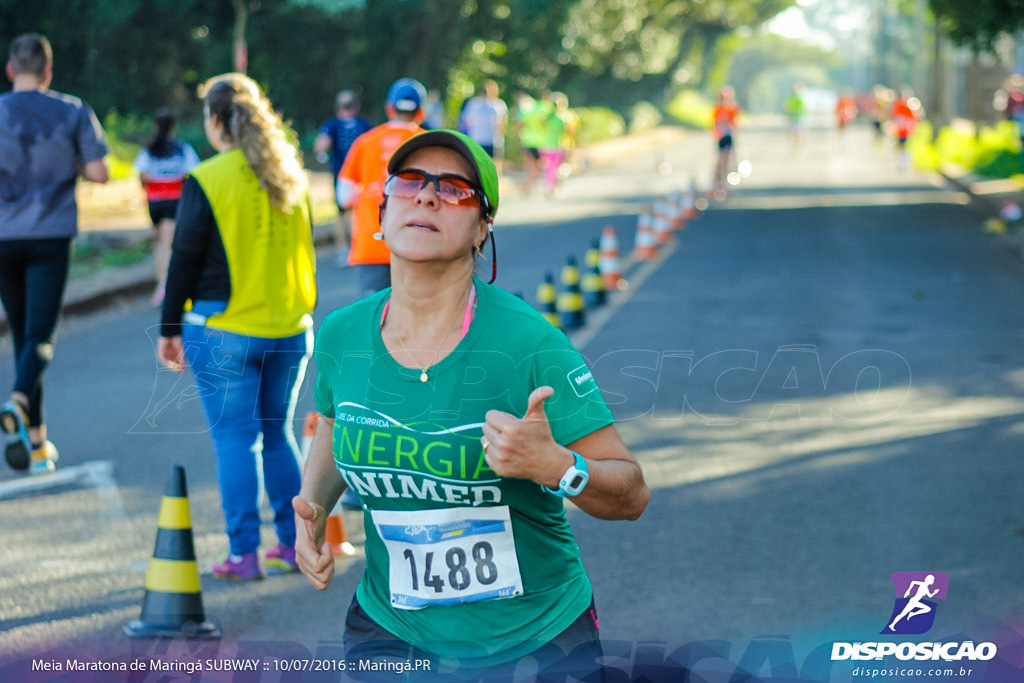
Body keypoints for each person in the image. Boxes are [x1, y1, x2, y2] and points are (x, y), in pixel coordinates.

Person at [293, 129, 650, 678]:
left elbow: (630, 493)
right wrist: (314, 510)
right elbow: (339, 426)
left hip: (534, 638)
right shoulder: (343, 334)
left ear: (483, 228)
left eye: (454, 189)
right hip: (392, 631)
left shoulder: (529, 343)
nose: (428, 197)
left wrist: (556, 466)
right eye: (410, 182)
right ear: (383, 210)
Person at [157, 73, 317, 581]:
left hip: (223, 328)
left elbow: (183, 259)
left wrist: (168, 327)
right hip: (290, 328)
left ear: (217, 120)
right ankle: (292, 546)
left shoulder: (209, 177)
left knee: (234, 441)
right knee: (278, 434)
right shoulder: (289, 173)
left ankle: (243, 555)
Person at [0, 33, 108, 475]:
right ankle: (19, 401)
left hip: (4, 237)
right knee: (40, 336)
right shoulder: (72, 109)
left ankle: (38, 440)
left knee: (23, 333)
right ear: (48, 71)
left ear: (11, 69)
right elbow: (100, 172)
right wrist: (73, 164)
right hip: (51, 234)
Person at [336, 77, 426, 298]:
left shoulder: (365, 142)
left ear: (389, 108)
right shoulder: (429, 143)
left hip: (371, 245)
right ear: (421, 113)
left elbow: (343, 197)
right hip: (417, 246)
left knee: (373, 319)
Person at [133, 109, 200, 306]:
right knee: (168, 244)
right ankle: (166, 286)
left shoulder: (148, 150)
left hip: (154, 202)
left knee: (159, 243)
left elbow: (141, 175)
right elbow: (193, 174)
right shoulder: (182, 149)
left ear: (155, 127)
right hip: (174, 201)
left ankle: (162, 284)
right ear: (173, 127)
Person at [314, 90, 374, 267]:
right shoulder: (364, 124)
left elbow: (321, 146)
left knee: (341, 213)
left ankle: (343, 249)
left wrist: (323, 155)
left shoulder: (332, 125)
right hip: (360, 175)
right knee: (358, 211)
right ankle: (355, 246)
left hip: (343, 175)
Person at [458, 80, 508, 172]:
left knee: (478, 167)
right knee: (494, 166)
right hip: (492, 140)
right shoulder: (498, 105)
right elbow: (502, 124)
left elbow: (466, 122)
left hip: (477, 139)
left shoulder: (473, 104)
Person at [711, 86, 740, 198]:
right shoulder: (717, 109)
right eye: (721, 98)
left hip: (728, 137)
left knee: (726, 161)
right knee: (720, 161)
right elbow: (714, 124)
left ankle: (723, 184)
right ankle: (718, 183)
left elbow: (734, 124)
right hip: (720, 137)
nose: (722, 100)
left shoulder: (731, 109)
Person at [891, 88, 921, 172]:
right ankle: (905, 161)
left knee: (903, 146)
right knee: (904, 145)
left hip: (903, 130)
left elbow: (895, 117)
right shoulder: (906, 105)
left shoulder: (900, 105)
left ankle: (904, 161)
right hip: (906, 130)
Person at [784, 83, 807, 151]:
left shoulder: (790, 99)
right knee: (797, 133)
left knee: (793, 133)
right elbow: (803, 109)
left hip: (794, 118)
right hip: (797, 118)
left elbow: (788, 108)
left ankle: (794, 145)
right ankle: (797, 145)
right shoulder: (800, 99)